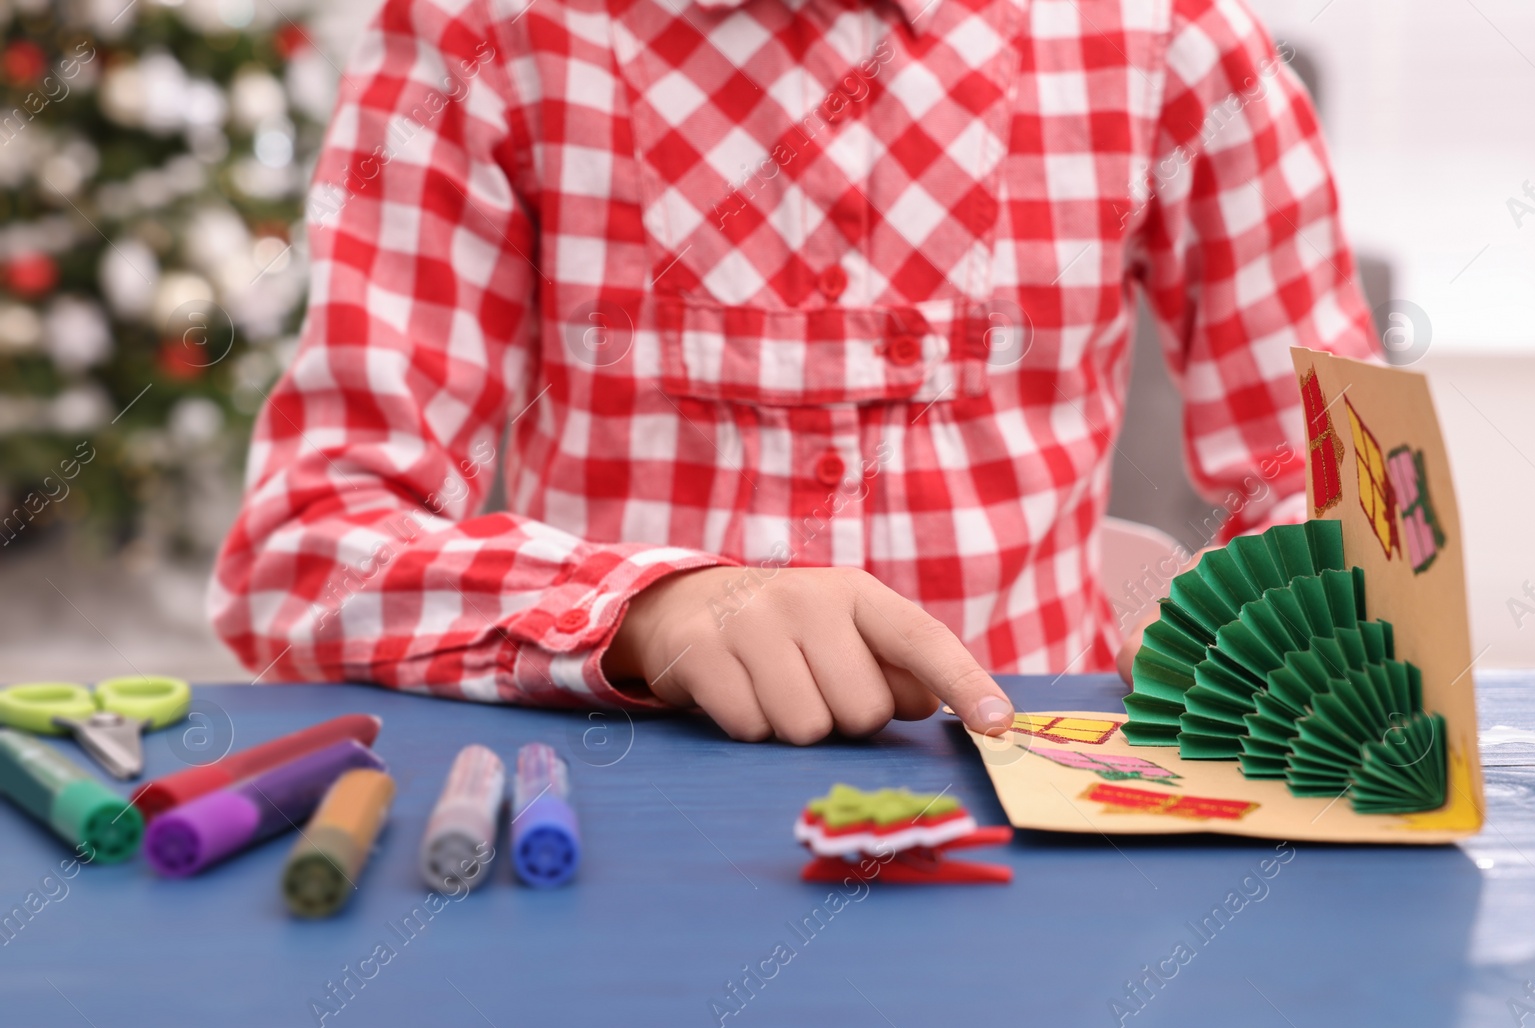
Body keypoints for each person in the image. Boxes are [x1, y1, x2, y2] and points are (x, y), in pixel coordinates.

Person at [209, 0, 1378, 744]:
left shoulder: (1175, 44)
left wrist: (1250, 645)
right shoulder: (479, 34)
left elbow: (1354, 517)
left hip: (1043, 832)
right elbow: (300, 558)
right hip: (604, 826)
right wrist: (644, 612)